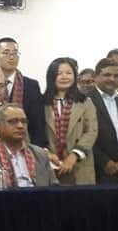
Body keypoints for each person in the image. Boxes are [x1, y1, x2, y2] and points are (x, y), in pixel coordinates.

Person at [42, 57, 98, 185]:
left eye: (68, 73)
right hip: (50, 163)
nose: (64, 77)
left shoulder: (85, 102)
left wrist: (73, 156)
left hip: (80, 164)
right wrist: (47, 154)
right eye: (59, 73)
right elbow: (37, 132)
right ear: (51, 76)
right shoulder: (42, 102)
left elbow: (91, 131)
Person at [0, 104, 57, 188]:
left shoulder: (40, 154)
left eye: (23, 121)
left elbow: (54, 187)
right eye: (13, 121)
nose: (20, 126)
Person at [0, 37, 46, 146]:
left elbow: (38, 124)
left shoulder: (31, 86)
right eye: (6, 53)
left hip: (24, 146)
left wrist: (36, 150)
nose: (11, 57)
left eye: (15, 53)